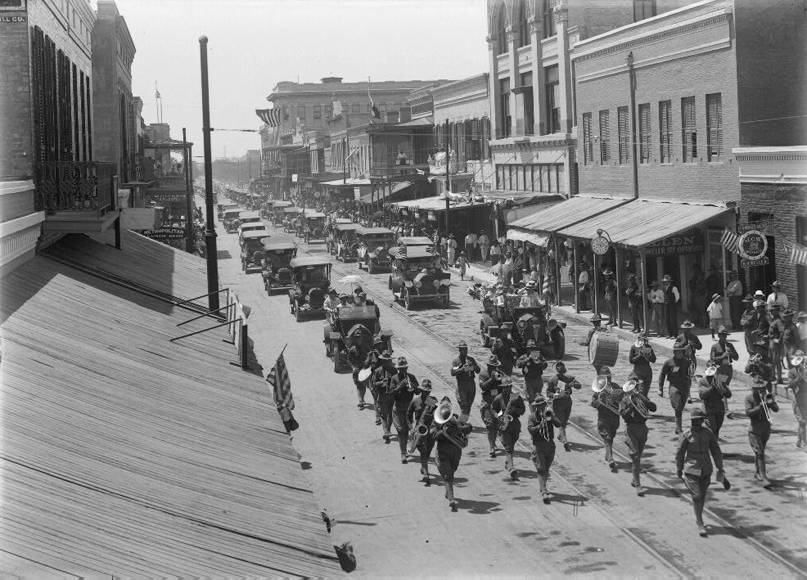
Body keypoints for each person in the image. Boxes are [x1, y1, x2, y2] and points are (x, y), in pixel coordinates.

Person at [675, 408, 726, 537]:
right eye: (693, 421)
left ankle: (699, 515)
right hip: (691, 469)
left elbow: (716, 451)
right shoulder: (686, 435)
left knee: (701, 496)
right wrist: (679, 469)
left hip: (706, 469)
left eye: (698, 420)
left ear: (702, 420)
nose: (695, 423)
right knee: (697, 496)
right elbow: (679, 453)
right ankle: (700, 522)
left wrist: (720, 468)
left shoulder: (708, 433)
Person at [432, 396, 472, 510]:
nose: (446, 408)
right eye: (443, 405)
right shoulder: (437, 420)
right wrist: (442, 432)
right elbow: (433, 434)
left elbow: (469, 428)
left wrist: (460, 428)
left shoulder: (456, 418)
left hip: (456, 451)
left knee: (452, 471)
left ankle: (448, 491)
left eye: (448, 405)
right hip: (443, 451)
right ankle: (452, 499)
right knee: (448, 474)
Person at [619, 377, 657, 495]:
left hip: (642, 429)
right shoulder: (625, 400)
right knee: (635, 456)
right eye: (636, 386)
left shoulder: (642, 398)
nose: (638, 388)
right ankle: (638, 484)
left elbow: (654, 408)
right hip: (631, 429)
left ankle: (634, 479)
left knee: (638, 457)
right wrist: (631, 406)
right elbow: (623, 414)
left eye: (637, 386)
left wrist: (645, 400)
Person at [528, 394, 562, 503]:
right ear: (536, 407)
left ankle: (543, 486)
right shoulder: (532, 417)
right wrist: (540, 425)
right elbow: (531, 430)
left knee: (546, 468)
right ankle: (544, 491)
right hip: (539, 445)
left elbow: (559, 424)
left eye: (543, 405)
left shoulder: (549, 414)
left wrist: (552, 417)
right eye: (539, 406)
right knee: (541, 468)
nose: (541, 407)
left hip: (550, 445)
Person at [745, 377, 779, 487]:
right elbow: (748, 413)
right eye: (757, 389)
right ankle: (764, 477)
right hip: (754, 429)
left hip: (765, 428)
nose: (760, 391)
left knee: (760, 451)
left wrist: (771, 403)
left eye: (762, 388)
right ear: (753, 389)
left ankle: (757, 472)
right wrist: (759, 407)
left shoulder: (767, 397)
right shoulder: (749, 398)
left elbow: (776, 409)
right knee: (760, 452)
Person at [590, 367, 624, 471]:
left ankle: (607, 454)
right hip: (603, 418)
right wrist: (601, 402)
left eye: (609, 377)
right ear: (602, 378)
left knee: (611, 437)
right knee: (607, 437)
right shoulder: (599, 389)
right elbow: (593, 403)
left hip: (614, 417)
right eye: (606, 377)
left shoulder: (615, 386)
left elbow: (623, 397)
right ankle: (610, 458)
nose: (608, 379)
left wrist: (618, 395)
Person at [406, 379, 439, 485]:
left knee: (428, 451)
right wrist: (411, 428)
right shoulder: (415, 401)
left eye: (428, 391)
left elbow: (438, 416)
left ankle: (423, 466)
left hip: (431, 430)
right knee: (423, 451)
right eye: (425, 391)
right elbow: (408, 415)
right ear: (421, 390)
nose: (426, 393)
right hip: (419, 430)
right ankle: (426, 473)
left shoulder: (432, 402)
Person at [492, 383, 526, 480]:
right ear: (502, 388)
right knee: (508, 447)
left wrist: (515, 410)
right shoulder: (498, 398)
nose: (507, 389)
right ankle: (511, 468)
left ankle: (508, 462)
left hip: (515, 424)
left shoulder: (517, 397)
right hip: (504, 425)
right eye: (505, 387)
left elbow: (523, 410)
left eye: (509, 387)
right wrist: (499, 416)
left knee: (511, 445)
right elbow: (493, 409)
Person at [545, 361, 581, 452]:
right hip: (557, 403)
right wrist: (554, 395)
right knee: (561, 422)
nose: (560, 369)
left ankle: (560, 435)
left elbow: (579, 386)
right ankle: (565, 440)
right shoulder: (552, 380)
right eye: (558, 367)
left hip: (567, 402)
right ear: (555, 370)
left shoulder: (568, 378)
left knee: (565, 421)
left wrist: (574, 384)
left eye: (561, 367)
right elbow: (548, 393)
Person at [389, 357, 418, 464]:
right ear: (398, 369)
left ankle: (407, 449)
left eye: (405, 368)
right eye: (401, 369)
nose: (403, 370)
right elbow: (391, 393)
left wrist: (414, 386)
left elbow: (418, 392)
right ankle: (403, 453)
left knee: (407, 431)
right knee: (401, 431)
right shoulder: (394, 378)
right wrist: (400, 386)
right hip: (398, 408)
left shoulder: (412, 377)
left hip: (408, 409)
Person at [659, 339, 692, 433]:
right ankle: (678, 427)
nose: (679, 353)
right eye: (677, 352)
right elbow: (662, 374)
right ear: (674, 352)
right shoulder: (668, 362)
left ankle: (678, 426)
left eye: (680, 351)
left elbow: (689, 374)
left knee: (681, 407)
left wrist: (689, 385)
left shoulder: (686, 362)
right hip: (674, 386)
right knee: (677, 407)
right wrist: (660, 388)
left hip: (684, 386)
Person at [479, 355, 505, 457]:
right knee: (490, 425)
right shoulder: (483, 374)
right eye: (491, 366)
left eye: (495, 366)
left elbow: (505, 386)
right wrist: (492, 379)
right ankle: (492, 446)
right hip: (487, 402)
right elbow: (482, 387)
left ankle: (493, 442)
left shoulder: (500, 373)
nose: (493, 368)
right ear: (488, 365)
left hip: (498, 403)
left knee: (497, 424)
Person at [698, 364, 731, 439]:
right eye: (709, 376)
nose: (711, 377)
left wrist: (723, 389)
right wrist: (712, 387)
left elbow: (729, 394)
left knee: (717, 428)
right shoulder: (702, 381)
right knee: (712, 427)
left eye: (712, 375)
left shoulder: (720, 379)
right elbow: (702, 395)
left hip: (719, 408)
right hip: (708, 408)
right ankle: (711, 443)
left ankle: (714, 443)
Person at [450, 340, 480, 423]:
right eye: (463, 349)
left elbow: (478, 370)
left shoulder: (471, 359)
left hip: (471, 383)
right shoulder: (456, 361)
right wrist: (462, 369)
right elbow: (453, 372)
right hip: (462, 384)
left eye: (466, 349)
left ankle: (464, 421)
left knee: (469, 404)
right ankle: (461, 422)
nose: (465, 351)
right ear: (459, 350)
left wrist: (473, 366)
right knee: (463, 404)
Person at [373, 350, 396, 442]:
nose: (387, 362)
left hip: (392, 396)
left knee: (391, 414)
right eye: (385, 361)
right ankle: (386, 432)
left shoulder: (394, 370)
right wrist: (382, 382)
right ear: (382, 361)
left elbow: (398, 382)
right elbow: (374, 383)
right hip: (382, 396)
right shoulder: (377, 371)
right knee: (383, 415)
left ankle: (388, 429)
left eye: (388, 360)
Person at [786, 351, 807, 447]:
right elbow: (790, 384)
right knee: (802, 421)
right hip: (798, 400)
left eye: (802, 361)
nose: (801, 363)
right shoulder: (791, 372)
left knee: (804, 421)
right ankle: (804, 442)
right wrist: (800, 376)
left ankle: (800, 440)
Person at [516, 340, 548, 404]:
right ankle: (532, 409)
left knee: (538, 398)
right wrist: (528, 359)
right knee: (530, 398)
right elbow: (518, 364)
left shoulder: (539, 356)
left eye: (533, 348)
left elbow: (545, 364)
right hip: (529, 380)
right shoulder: (524, 356)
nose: (531, 349)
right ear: (527, 349)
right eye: (529, 348)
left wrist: (539, 362)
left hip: (538, 379)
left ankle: (537, 409)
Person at [628, 331, 656, 396]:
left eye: (645, 340)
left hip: (647, 371)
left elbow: (653, 360)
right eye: (642, 339)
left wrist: (648, 356)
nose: (643, 342)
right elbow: (631, 360)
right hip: (637, 371)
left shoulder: (648, 347)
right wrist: (640, 355)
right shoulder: (634, 347)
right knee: (636, 391)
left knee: (645, 393)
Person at [768, 305, 787, 385]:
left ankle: (779, 378)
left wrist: (778, 340)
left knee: (776, 361)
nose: (771, 312)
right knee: (772, 361)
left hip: (775, 343)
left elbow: (782, 332)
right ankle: (773, 376)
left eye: (772, 310)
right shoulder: (774, 320)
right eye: (770, 310)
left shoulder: (778, 321)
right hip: (771, 341)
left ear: (777, 311)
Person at [661, 274, 681, 338]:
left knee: (673, 319)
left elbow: (677, 297)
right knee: (667, 319)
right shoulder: (664, 288)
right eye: (665, 281)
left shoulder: (674, 288)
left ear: (669, 281)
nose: (665, 282)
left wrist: (673, 302)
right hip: (666, 305)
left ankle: (675, 334)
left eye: (666, 281)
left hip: (672, 305)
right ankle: (670, 333)